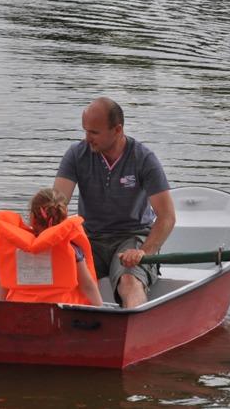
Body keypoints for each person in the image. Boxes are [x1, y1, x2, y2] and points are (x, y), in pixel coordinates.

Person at [53, 97, 176, 308]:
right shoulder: (76, 154)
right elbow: (56, 205)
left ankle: (134, 327)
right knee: (56, 274)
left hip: (132, 237)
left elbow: (167, 217)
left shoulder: (144, 159)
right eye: (85, 130)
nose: (87, 138)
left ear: (117, 130)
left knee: (129, 281)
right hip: (90, 238)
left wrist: (144, 252)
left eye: (94, 132)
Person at [0, 188, 103, 306]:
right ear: (64, 215)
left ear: (32, 218)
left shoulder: (14, 245)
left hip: (19, 310)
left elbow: (2, 283)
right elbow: (87, 286)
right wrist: (101, 310)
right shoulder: (71, 246)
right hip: (61, 312)